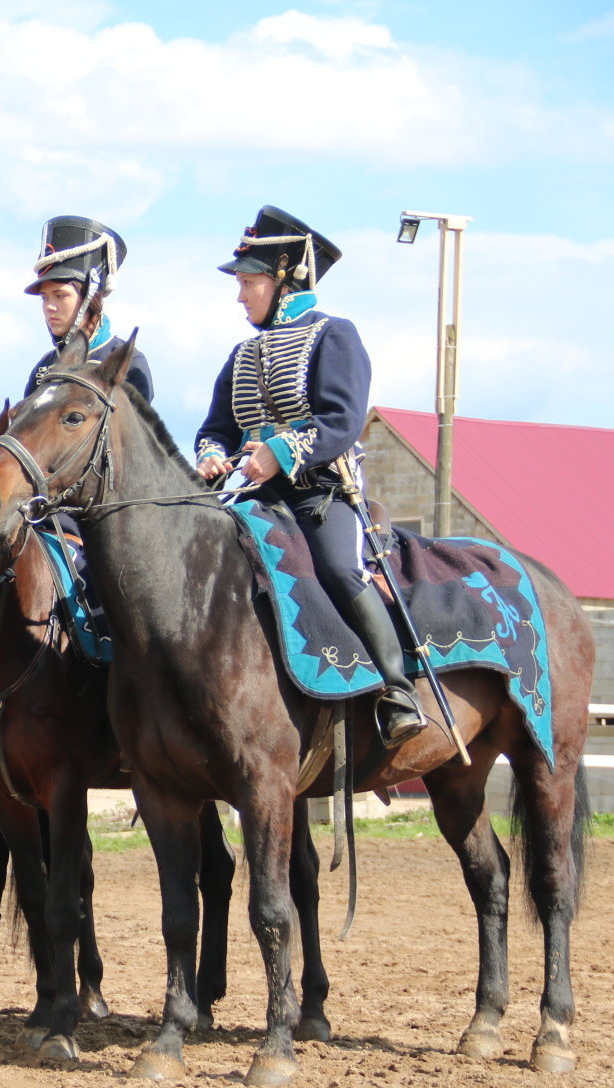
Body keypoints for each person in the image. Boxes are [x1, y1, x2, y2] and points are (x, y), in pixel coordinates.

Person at [194, 205, 427, 747]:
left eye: (249, 282)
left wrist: (278, 450)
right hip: (254, 498)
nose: (240, 295)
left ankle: (397, 689)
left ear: (284, 279)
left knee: (340, 569)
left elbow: (343, 420)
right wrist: (210, 455)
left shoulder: (333, 335)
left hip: (322, 496)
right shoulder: (242, 353)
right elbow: (216, 428)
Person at [22, 216, 153, 405]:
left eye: (60, 295)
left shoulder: (130, 363)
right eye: (44, 298)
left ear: (90, 297)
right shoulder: (44, 367)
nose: (49, 306)